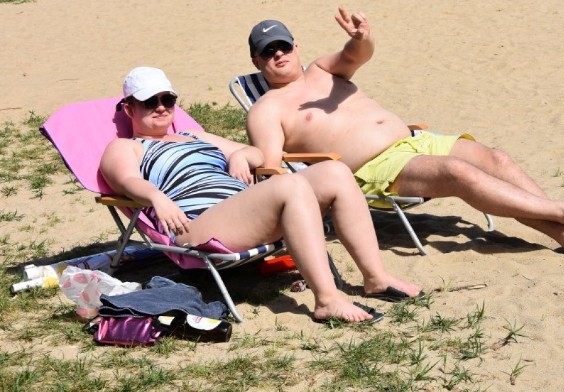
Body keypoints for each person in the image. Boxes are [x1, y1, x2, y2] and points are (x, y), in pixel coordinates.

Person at [244, 12, 564, 258]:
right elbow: (274, 170)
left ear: (297, 46)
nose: (279, 54)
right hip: (375, 170)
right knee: (459, 173)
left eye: (284, 45)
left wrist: (363, 37)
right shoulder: (267, 110)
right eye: (268, 51)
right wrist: (244, 159)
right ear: (257, 62)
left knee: (496, 159)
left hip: (415, 140)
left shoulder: (323, 69)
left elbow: (357, 54)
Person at [100, 66, 420, 324]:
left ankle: (375, 277)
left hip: (243, 212)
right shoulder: (126, 147)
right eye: (149, 101)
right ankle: (327, 299)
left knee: (335, 172)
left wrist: (241, 157)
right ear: (129, 107)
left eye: (167, 100)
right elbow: (125, 178)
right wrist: (157, 198)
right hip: (195, 225)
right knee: (290, 185)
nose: (160, 107)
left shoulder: (191, 135)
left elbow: (253, 153)